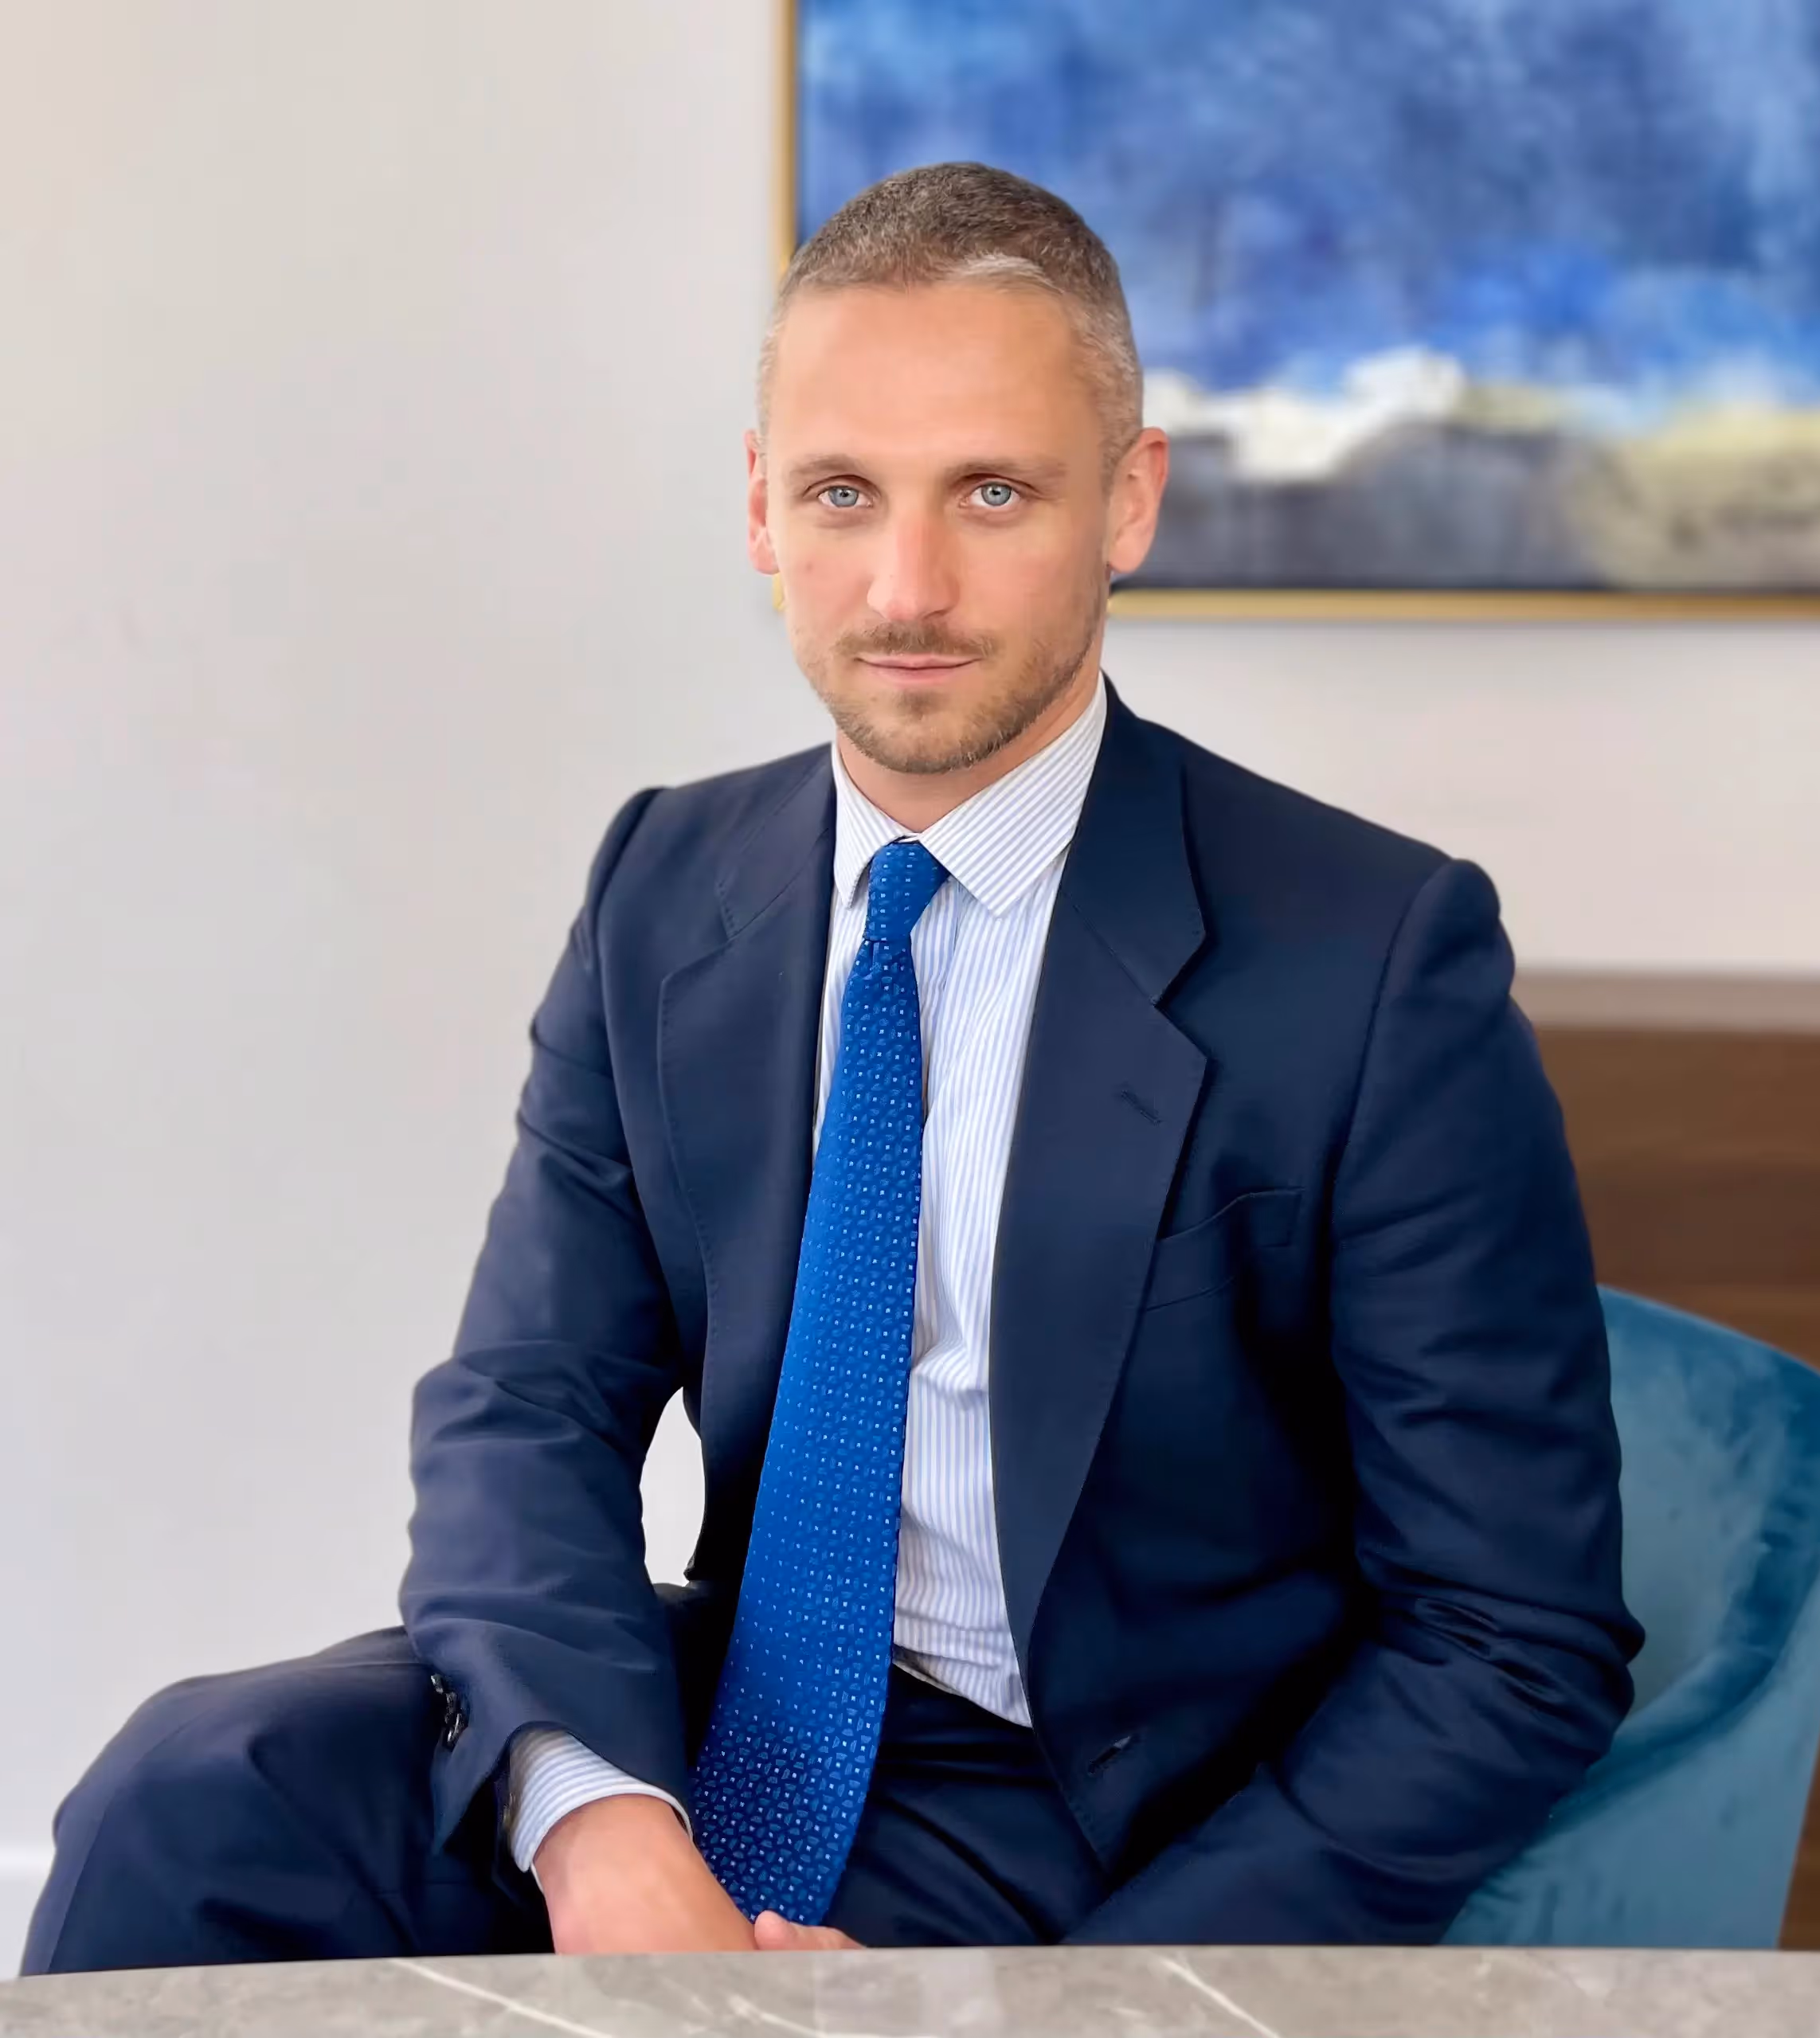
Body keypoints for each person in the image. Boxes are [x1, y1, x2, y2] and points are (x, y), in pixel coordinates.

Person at [23, 162, 1642, 1973]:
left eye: (996, 492)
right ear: (759, 509)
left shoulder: (1372, 955)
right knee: (188, 1788)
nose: (909, 585)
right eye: (845, 493)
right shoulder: (669, 878)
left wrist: (1084, 2005)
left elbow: (1512, 1637)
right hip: (731, 1702)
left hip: (1091, 1803)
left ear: (1129, 501)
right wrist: (603, 1823)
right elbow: (528, 1403)